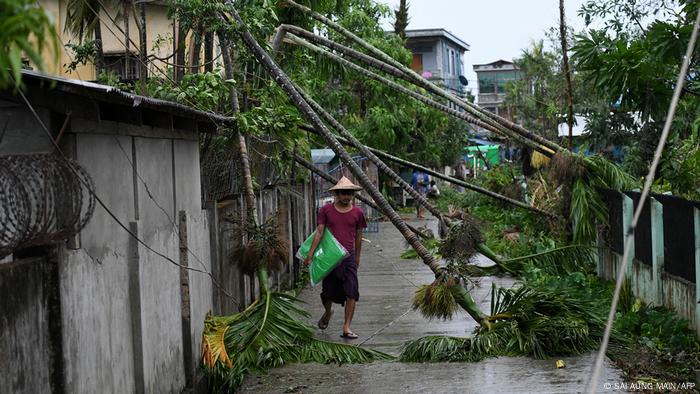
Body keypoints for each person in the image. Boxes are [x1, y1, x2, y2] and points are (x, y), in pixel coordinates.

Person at [304, 176, 367, 339]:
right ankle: (327, 311)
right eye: (343, 193)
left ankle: (346, 327)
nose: (347, 196)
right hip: (329, 259)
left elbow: (359, 236)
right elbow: (319, 232)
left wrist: (358, 257)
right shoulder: (326, 210)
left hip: (349, 257)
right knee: (327, 293)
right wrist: (310, 254)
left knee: (352, 292)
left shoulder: (358, 213)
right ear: (337, 194)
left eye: (350, 193)